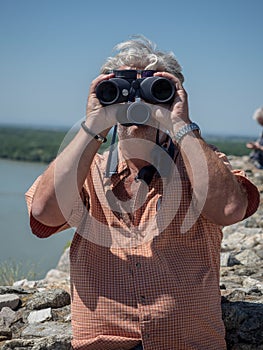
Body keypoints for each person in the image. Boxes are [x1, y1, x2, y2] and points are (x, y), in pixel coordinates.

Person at [25, 35, 260, 350]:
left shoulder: (201, 164)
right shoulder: (88, 170)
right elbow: (45, 212)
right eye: (121, 91)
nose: (137, 104)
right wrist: (95, 122)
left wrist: (179, 123)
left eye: (153, 92)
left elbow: (229, 209)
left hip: (189, 343)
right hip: (103, 343)